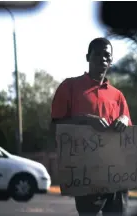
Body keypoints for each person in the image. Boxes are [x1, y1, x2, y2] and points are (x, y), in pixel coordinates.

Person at [51, 37, 132, 216]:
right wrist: (86, 120)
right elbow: (56, 126)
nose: (102, 58)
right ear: (88, 57)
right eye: (97, 54)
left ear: (111, 61)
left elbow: (129, 133)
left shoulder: (117, 95)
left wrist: (125, 120)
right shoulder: (69, 86)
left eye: (107, 55)